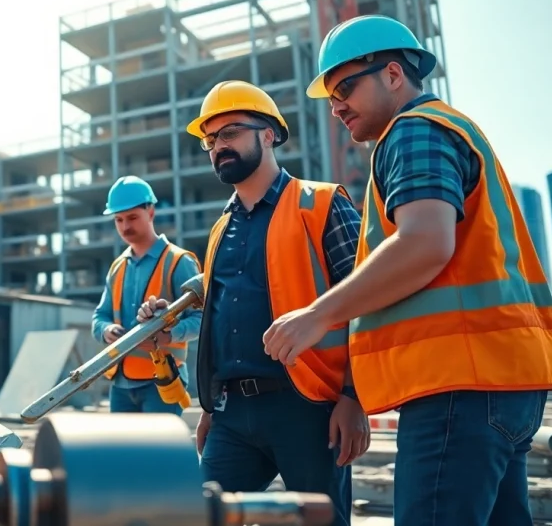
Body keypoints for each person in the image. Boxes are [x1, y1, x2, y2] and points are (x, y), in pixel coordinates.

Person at [264, 14, 552, 526]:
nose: (337, 107)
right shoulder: (454, 129)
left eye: (346, 88)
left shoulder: (412, 130)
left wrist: (319, 314)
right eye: (332, 96)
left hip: (457, 385)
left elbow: (424, 242)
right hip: (504, 382)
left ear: (394, 75)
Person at [137, 80, 367, 526]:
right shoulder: (222, 228)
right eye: (210, 139)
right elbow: (221, 318)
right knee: (199, 517)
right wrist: (211, 408)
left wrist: (353, 398)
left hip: (309, 408)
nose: (217, 147)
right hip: (232, 415)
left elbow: (365, 298)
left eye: (229, 134)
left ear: (268, 134)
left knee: (323, 522)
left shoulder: (321, 203)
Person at [91, 176, 202, 415]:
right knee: (123, 454)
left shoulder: (179, 262)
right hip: (120, 383)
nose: (124, 226)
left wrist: (169, 335)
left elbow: (203, 319)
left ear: (150, 212)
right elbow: (100, 316)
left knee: (160, 453)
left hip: (162, 381)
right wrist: (106, 330)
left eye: (132, 217)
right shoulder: (117, 267)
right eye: (118, 220)